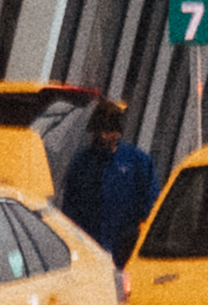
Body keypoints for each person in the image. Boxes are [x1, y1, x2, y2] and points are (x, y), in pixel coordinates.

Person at [58, 97, 157, 266]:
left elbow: (151, 208)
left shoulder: (138, 162)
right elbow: (69, 212)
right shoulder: (81, 163)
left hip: (124, 256)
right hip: (87, 254)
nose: (103, 137)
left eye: (108, 132)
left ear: (118, 133)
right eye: (98, 132)